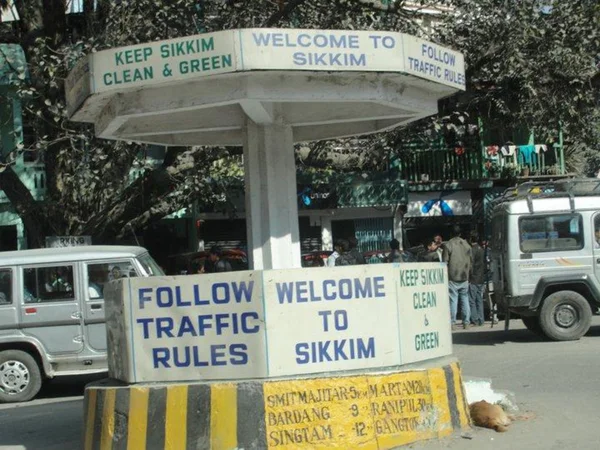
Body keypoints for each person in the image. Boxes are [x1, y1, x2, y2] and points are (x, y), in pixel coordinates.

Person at [442, 225, 472, 329]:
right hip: (464, 276)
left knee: (453, 300)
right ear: (460, 234)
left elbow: (444, 262)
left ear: (451, 234)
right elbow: (470, 261)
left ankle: (452, 323)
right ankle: (466, 322)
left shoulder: (448, 245)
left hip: (452, 276)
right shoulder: (467, 245)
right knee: (465, 299)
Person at [469, 231, 486, 326]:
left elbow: (471, 265)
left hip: (474, 278)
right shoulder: (481, 249)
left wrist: (469, 276)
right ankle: (481, 319)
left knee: (472, 300)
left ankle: (475, 319)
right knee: (479, 299)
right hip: (481, 278)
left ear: (470, 239)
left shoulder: (472, 250)